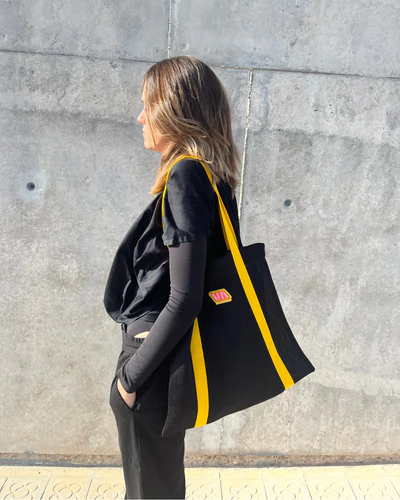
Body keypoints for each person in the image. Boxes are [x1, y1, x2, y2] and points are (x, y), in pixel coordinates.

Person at [104, 55, 243, 499]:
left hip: (151, 361)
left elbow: (184, 298)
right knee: (161, 487)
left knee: (150, 491)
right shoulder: (212, 179)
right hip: (163, 358)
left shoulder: (186, 176)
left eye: (148, 105)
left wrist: (130, 380)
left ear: (174, 110)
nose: (140, 117)